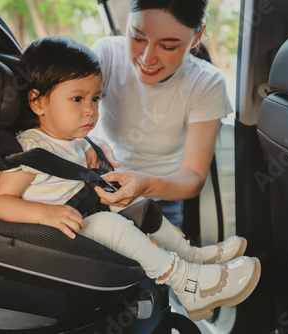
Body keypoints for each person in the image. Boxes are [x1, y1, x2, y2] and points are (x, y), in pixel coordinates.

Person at [0, 36, 260, 321]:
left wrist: (93, 148)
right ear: (38, 102)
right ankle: (186, 282)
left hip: (79, 219)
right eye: (77, 99)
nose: (90, 110)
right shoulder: (31, 151)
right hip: (54, 236)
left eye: (95, 99)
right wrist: (46, 213)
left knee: (134, 200)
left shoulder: (71, 141)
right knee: (109, 223)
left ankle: (189, 255)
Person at [89, 0, 232, 230]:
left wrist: (144, 186)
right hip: (101, 188)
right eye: (137, 38)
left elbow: (193, 178)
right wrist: (88, 142)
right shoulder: (106, 54)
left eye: (167, 47)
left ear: (196, 38)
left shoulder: (206, 82)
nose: (147, 58)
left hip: (163, 203)